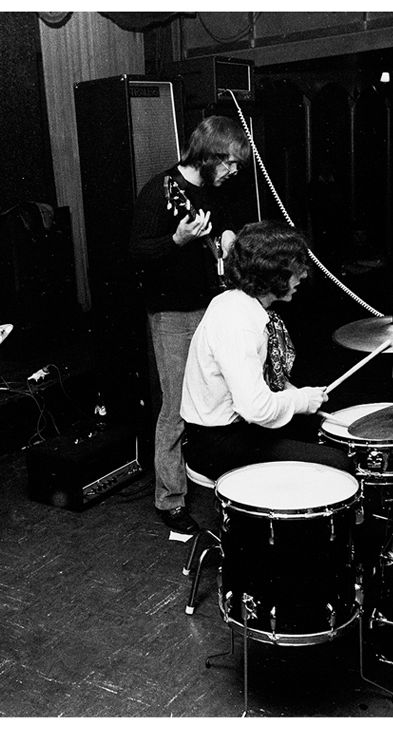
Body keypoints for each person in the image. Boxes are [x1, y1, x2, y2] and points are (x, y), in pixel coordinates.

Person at [128, 115, 251, 535]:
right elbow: (136, 253)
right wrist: (176, 240)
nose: (235, 171)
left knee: (228, 395)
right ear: (209, 154)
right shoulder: (159, 191)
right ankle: (170, 500)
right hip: (172, 314)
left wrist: (231, 239)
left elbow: (228, 227)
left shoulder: (218, 187)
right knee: (176, 407)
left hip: (214, 306)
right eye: (231, 162)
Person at [180, 221, 352, 482]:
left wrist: (293, 394)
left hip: (238, 427)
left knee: (327, 428)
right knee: (337, 463)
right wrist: (301, 401)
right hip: (217, 442)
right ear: (272, 276)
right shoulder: (236, 323)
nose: (303, 276)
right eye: (296, 270)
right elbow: (256, 409)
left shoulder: (239, 303)